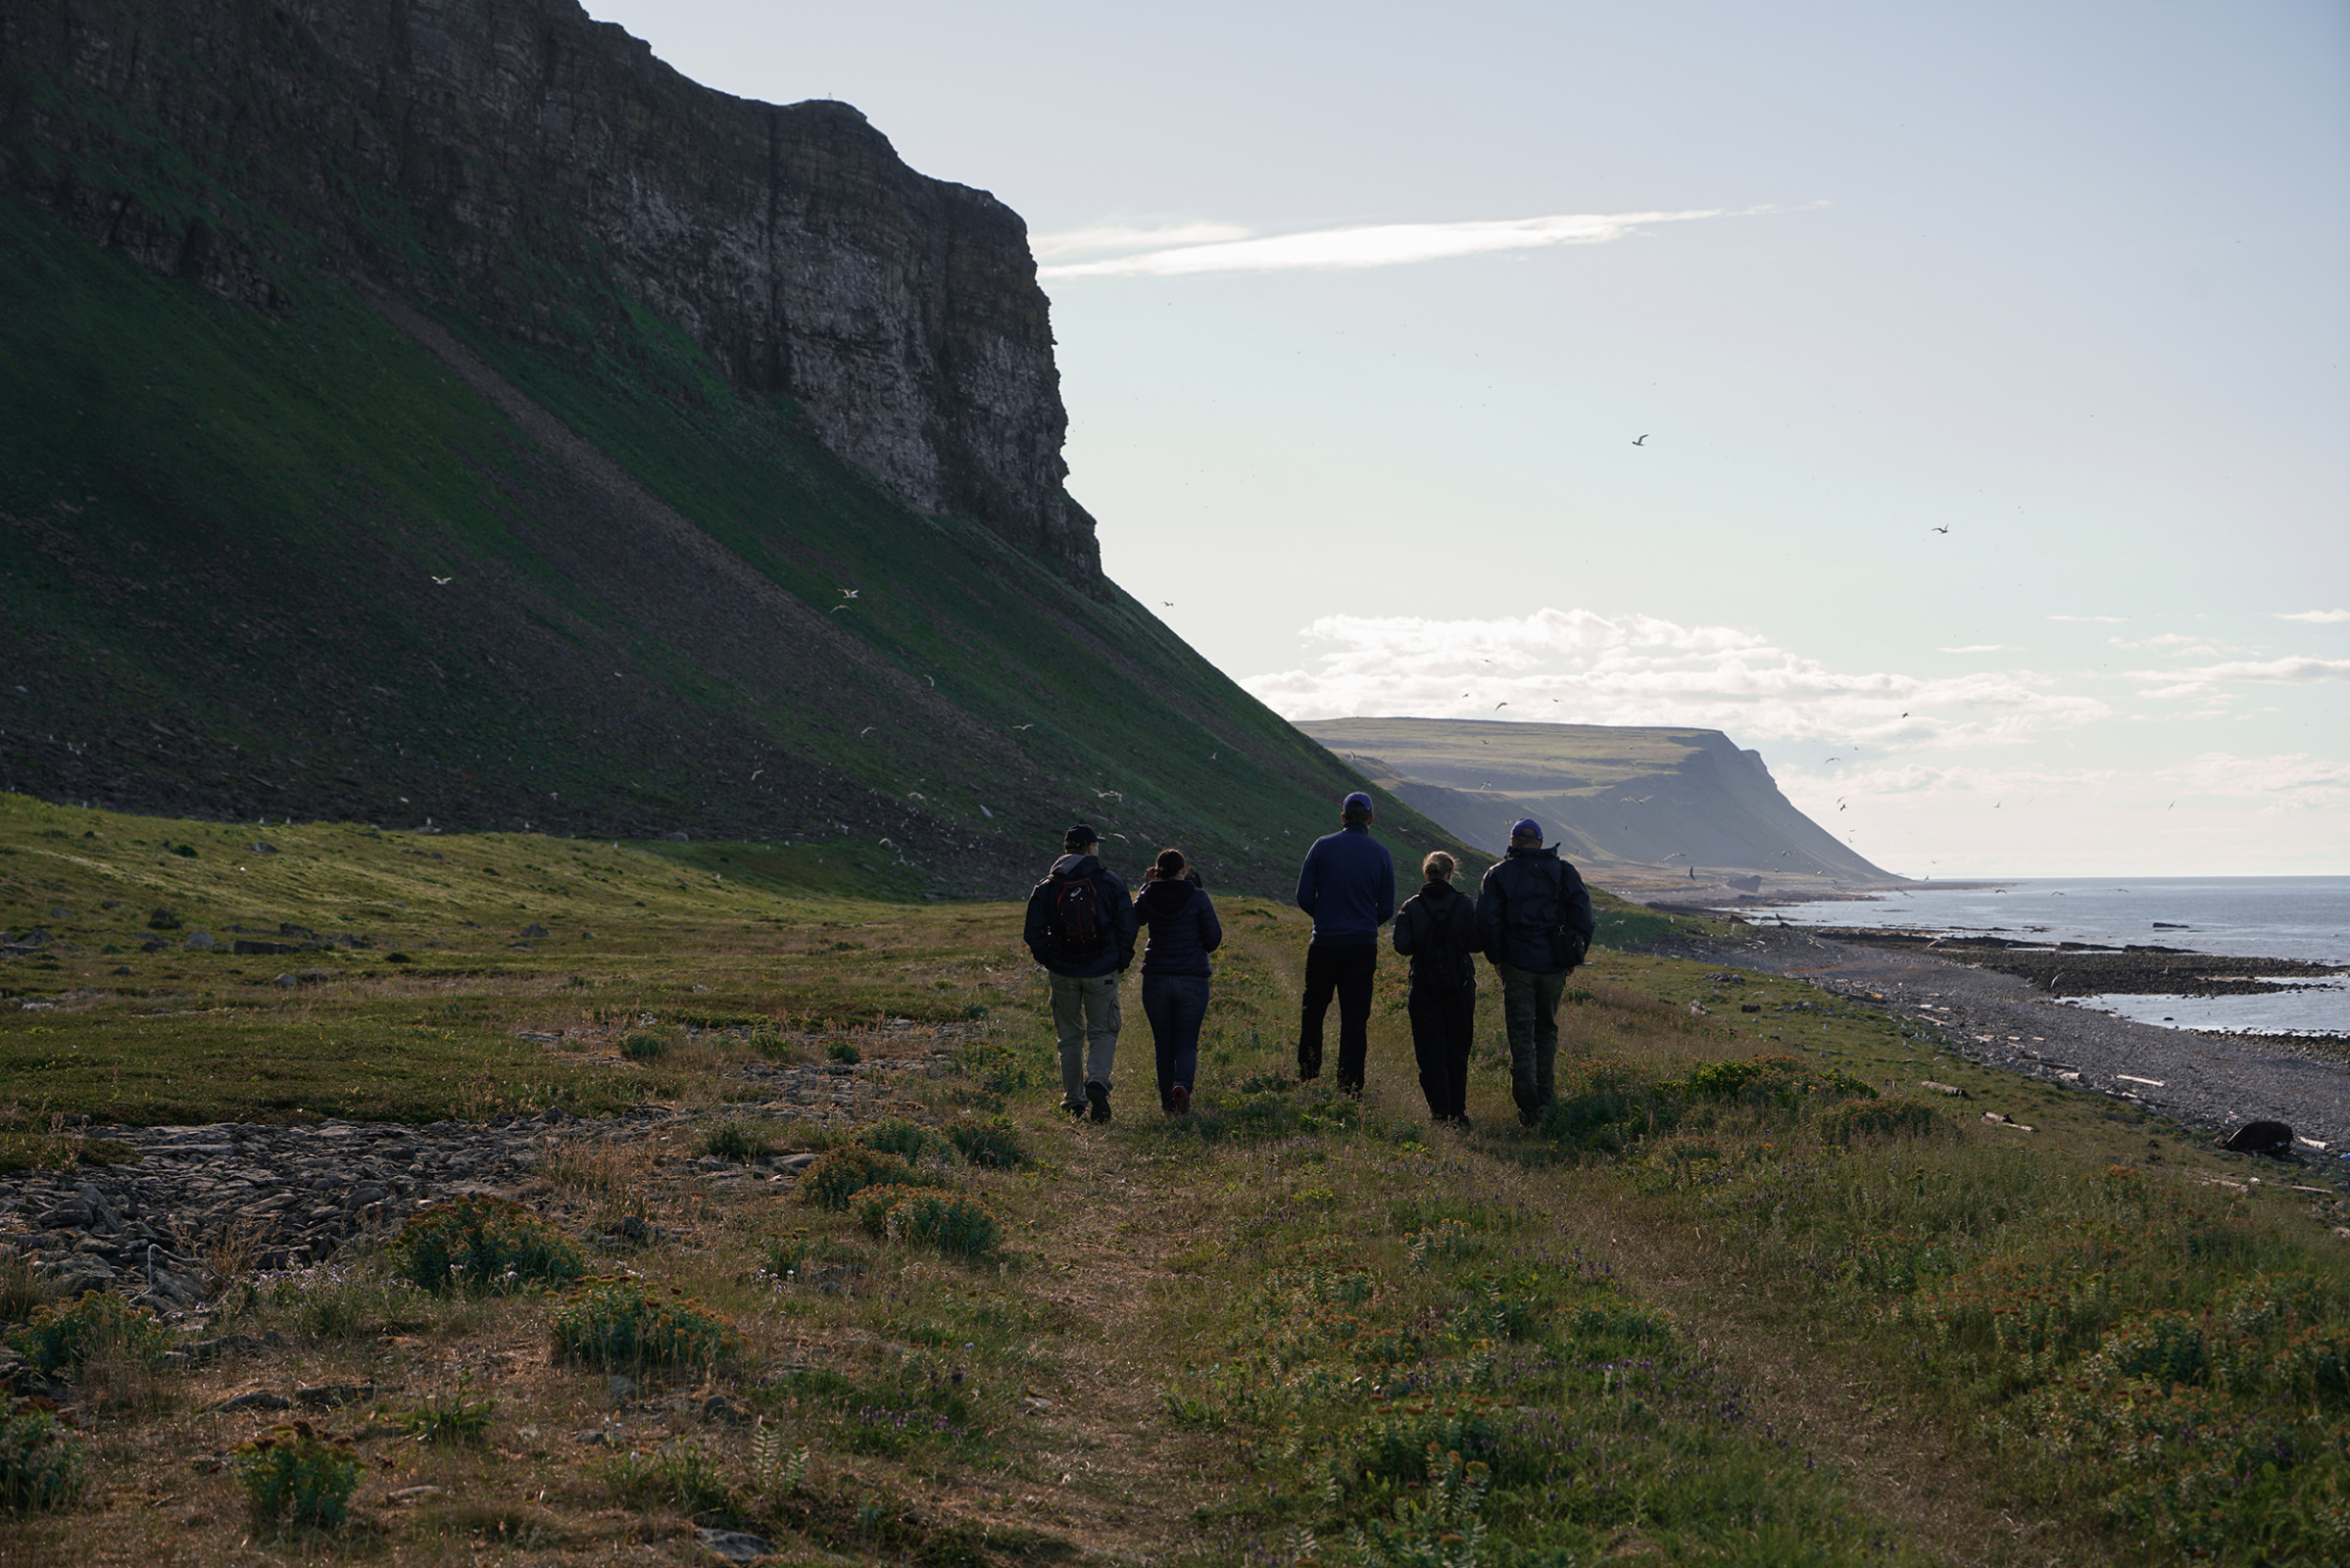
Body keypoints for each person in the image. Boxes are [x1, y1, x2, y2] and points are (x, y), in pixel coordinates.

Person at [1473, 818, 1596, 1126]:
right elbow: (1584, 916)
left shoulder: (1498, 874)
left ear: (1513, 842)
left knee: (1520, 1035)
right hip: (1554, 966)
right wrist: (1573, 955)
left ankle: (1529, 1108)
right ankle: (1546, 1100)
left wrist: (1497, 959)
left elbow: (1487, 921)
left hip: (1516, 965)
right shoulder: (1564, 871)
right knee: (1546, 1031)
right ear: (1540, 843)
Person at [1022, 823, 1138, 1122]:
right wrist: (1120, 960)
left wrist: (1050, 959)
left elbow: (1032, 933)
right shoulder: (1109, 881)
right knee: (1103, 1031)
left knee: (1069, 1036)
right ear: (1089, 848)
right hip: (1103, 970)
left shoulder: (1048, 886)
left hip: (1063, 972)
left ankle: (1074, 1100)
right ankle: (1097, 1081)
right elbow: (1129, 925)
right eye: (1095, 844)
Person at [1293, 790, 1395, 1093]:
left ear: (1343, 817)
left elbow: (1302, 896)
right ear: (1371, 819)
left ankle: (1309, 1074)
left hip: (1324, 942)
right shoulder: (1381, 853)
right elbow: (1387, 908)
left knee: (1314, 1010)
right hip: (1362, 946)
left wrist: (1324, 917)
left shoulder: (1322, 847)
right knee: (1354, 1016)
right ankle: (1349, 1085)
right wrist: (1364, 925)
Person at [1391, 851, 1480, 1126]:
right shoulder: (1465, 904)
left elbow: (1401, 946)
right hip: (1459, 985)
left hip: (1424, 987)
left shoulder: (1412, 906)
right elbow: (1476, 944)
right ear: (1451, 874)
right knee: (1457, 1050)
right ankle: (1459, 1112)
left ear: (1426, 873)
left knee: (1430, 1052)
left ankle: (1439, 1113)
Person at [1133, 848, 1223, 1115]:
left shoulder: (1150, 895)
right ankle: (1182, 1085)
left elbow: (1134, 917)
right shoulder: (1198, 897)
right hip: (1193, 979)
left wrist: (1146, 885)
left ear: (1158, 872)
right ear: (1184, 870)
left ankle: (1167, 1105)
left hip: (1156, 978)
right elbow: (1214, 938)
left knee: (1163, 1044)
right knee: (1186, 1042)